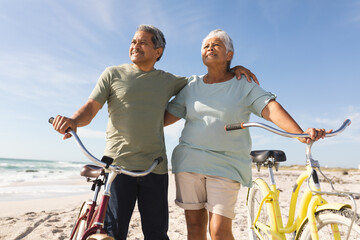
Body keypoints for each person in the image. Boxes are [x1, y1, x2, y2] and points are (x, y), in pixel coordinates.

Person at [51, 25, 257, 240]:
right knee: (113, 233)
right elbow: (91, 108)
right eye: (133, 41)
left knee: (157, 234)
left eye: (143, 42)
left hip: (154, 169)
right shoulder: (112, 73)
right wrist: (74, 121)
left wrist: (232, 69)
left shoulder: (169, 81)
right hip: (117, 167)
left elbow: (208, 79)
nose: (135, 46)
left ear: (158, 51)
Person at [164, 29, 330, 240]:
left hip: (226, 164)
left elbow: (270, 108)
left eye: (216, 45)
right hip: (189, 162)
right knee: (194, 227)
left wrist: (299, 133)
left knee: (219, 231)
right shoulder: (191, 86)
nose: (209, 48)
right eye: (205, 46)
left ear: (229, 55)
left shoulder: (243, 83)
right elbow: (164, 118)